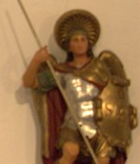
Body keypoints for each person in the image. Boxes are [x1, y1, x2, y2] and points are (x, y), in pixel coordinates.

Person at [22, 9, 136, 164]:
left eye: (83, 40)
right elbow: (29, 83)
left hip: (100, 125)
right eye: (75, 40)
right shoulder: (62, 72)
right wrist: (36, 61)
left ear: (89, 43)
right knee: (70, 152)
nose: (79, 43)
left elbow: (116, 96)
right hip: (73, 124)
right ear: (69, 45)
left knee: (103, 160)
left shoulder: (100, 68)